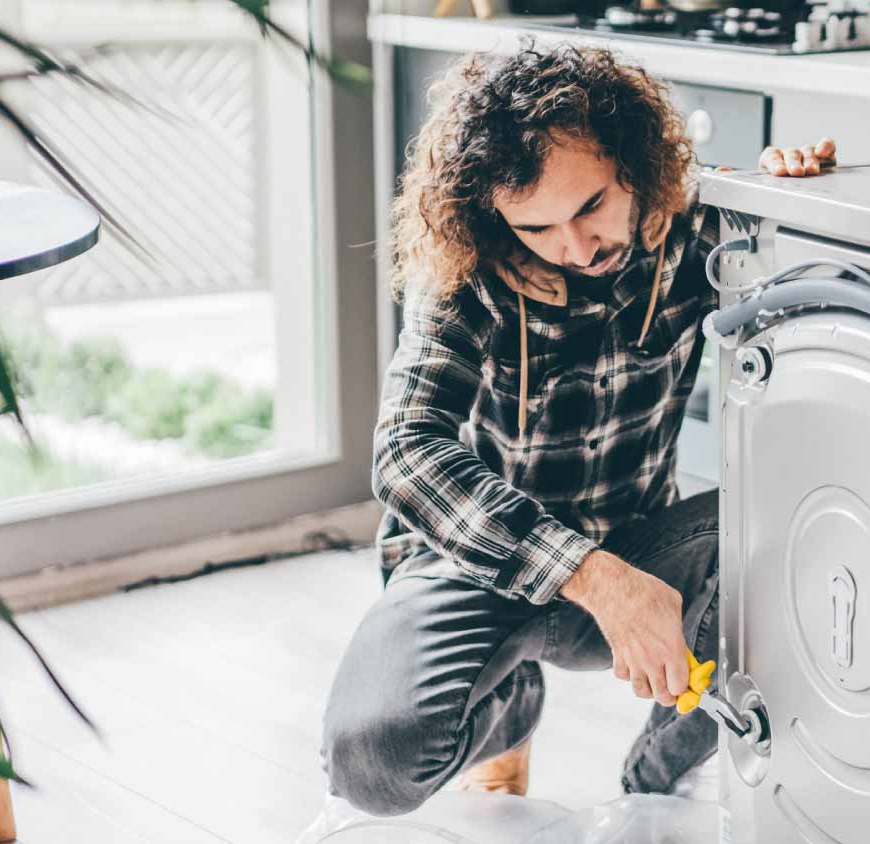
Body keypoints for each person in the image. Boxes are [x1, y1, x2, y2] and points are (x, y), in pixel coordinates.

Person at [320, 40, 836, 816]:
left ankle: (653, 796)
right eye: (537, 228)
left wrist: (793, 200)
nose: (575, 247)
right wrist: (593, 577)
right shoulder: (469, 270)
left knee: (778, 522)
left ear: (636, 163)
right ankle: (509, 705)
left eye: (591, 206)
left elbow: (812, 282)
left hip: (643, 548)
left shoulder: (698, 228)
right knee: (373, 764)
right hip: (483, 568)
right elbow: (403, 453)